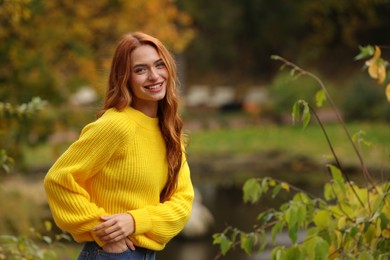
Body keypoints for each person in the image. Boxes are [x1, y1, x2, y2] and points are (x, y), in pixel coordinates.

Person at [44, 32, 194, 260]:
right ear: (125, 77)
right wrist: (104, 230)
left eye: (159, 65)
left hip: (146, 253)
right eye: (140, 70)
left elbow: (182, 202)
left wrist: (135, 221)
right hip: (113, 254)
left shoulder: (170, 131)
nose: (154, 76)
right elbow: (58, 180)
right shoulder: (116, 124)